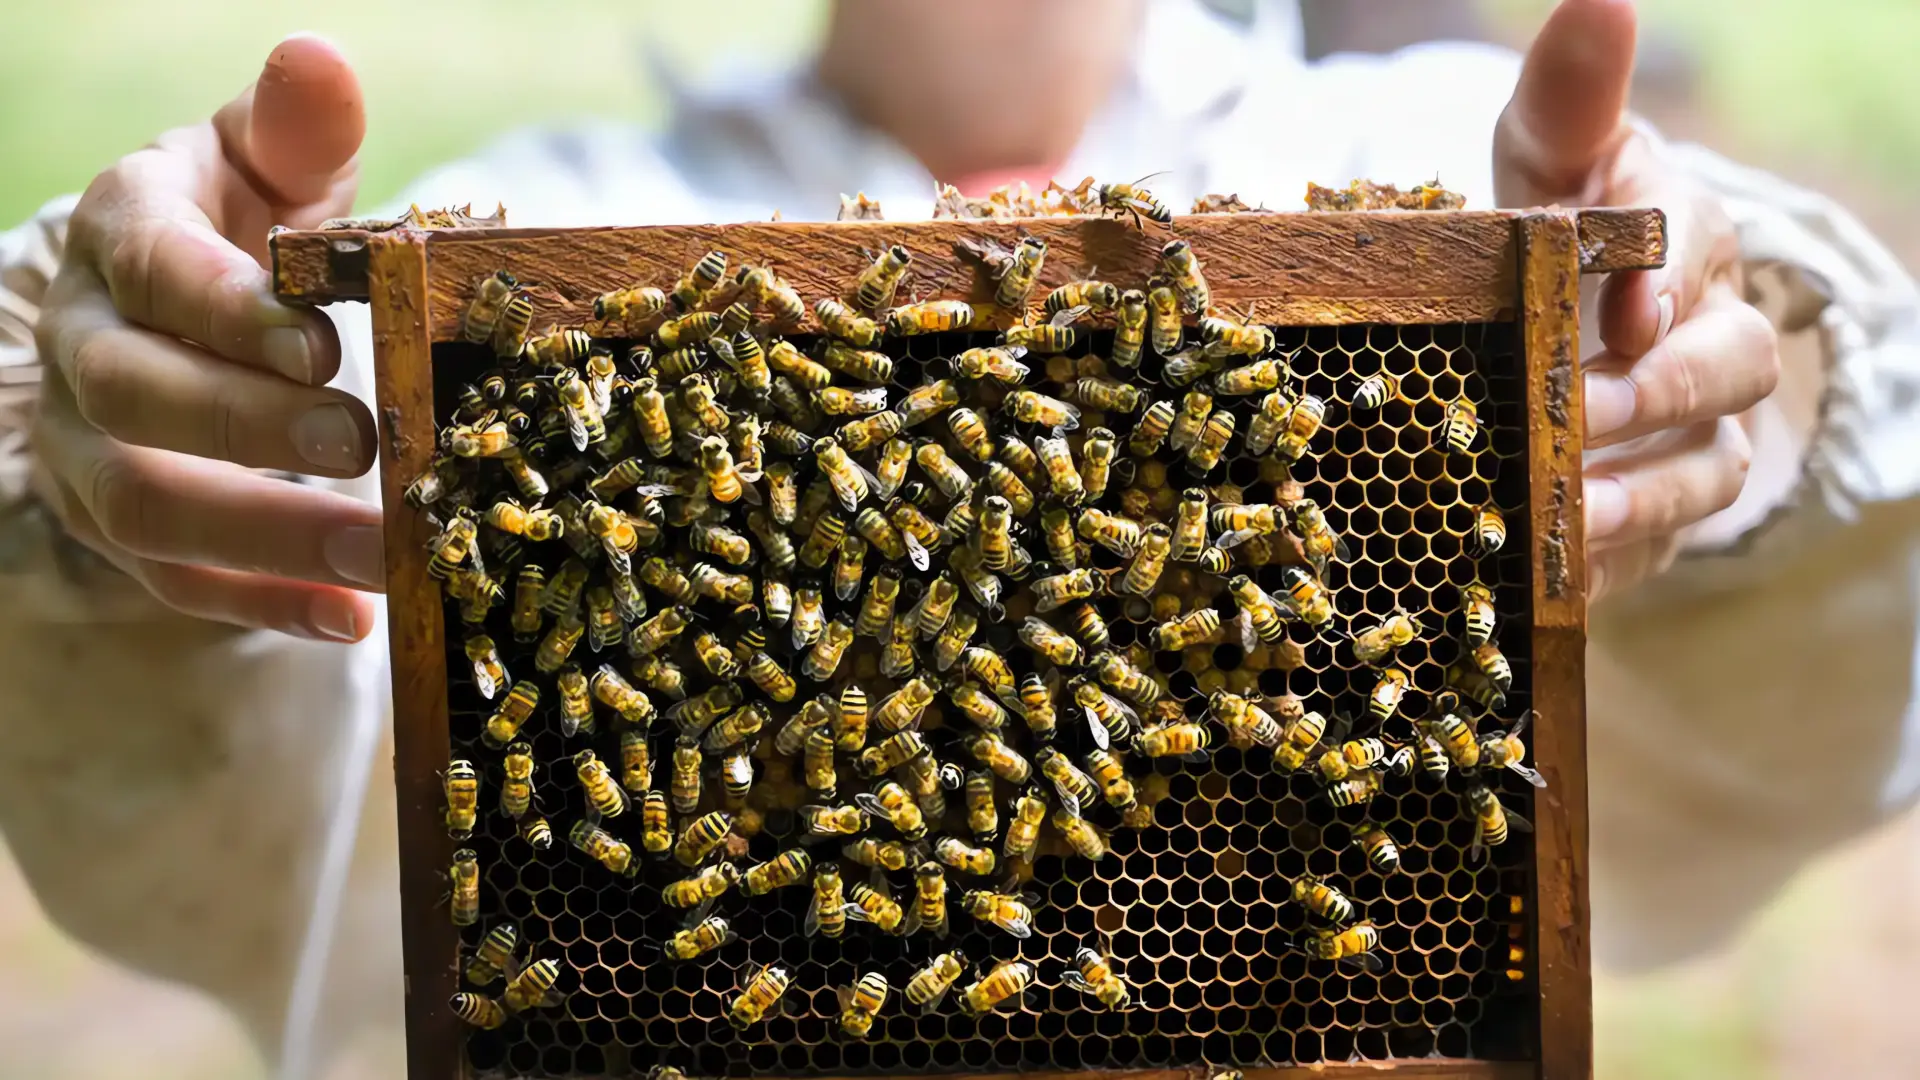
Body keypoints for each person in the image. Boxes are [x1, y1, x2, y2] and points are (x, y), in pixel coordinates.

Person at [0, 0, 1914, 1075]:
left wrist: (1710, 404)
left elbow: (1794, 680)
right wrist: (108, 466)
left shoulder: (1428, 151)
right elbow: (298, 812)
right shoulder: (520, 229)